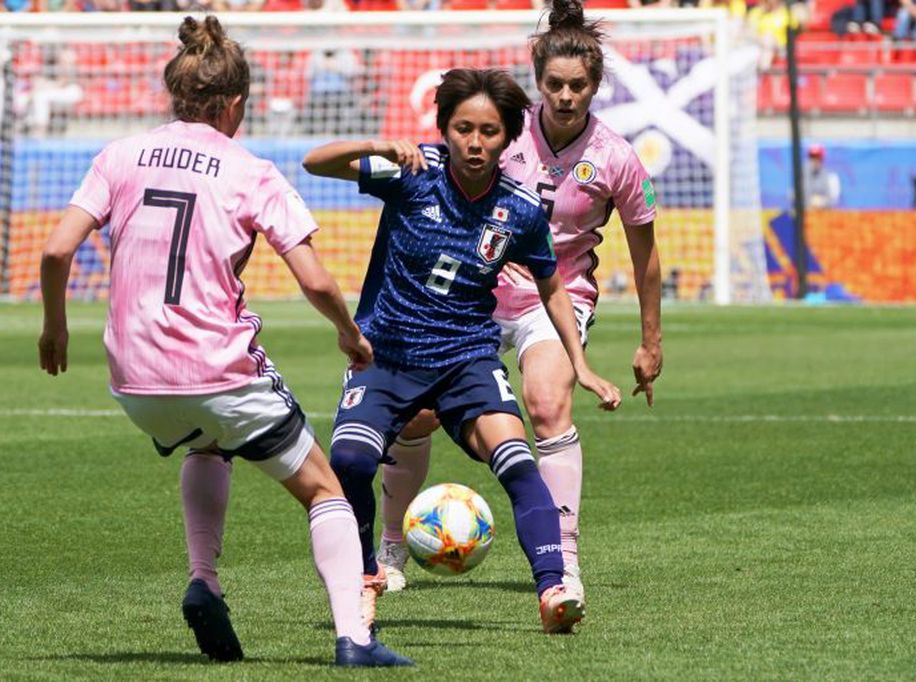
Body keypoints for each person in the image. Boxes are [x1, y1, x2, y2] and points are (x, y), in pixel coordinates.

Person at [37, 16, 411, 669]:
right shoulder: (249, 169)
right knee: (323, 490)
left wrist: (55, 324)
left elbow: (55, 247)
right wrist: (349, 335)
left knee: (207, 441)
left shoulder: (118, 154)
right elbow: (316, 281)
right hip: (215, 368)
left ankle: (203, 579)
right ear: (235, 102)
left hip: (134, 378)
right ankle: (354, 637)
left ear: (173, 95)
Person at [302, 67, 623, 635]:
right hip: (388, 358)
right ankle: (366, 577)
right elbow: (316, 162)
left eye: (490, 132)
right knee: (349, 461)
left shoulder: (521, 210)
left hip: (466, 362)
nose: (475, 144)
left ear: (508, 136)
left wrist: (582, 365)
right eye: (463, 129)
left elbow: (551, 286)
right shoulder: (411, 174)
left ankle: (554, 589)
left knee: (519, 461)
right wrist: (379, 144)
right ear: (444, 129)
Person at [374, 0, 663, 614]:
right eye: (554, 84)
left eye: (577, 85)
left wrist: (650, 341)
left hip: (554, 299)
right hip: (469, 297)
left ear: (595, 85)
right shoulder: (500, 132)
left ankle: (564, 561)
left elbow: (646, 256)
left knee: (547, 401)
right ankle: (391, 548)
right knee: (417, 416)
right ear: (538, 81)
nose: (565, 95)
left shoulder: (615, 157)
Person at [803, 144, 841, 208]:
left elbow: (834, 199)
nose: (814, 160)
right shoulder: (802, 175)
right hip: (807, 213)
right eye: (812, 157)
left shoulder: (830, 176)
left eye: (817, 157)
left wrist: (822, 202)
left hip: (824, 213)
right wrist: (809, 201)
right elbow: (794, 196)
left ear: (822, 159)